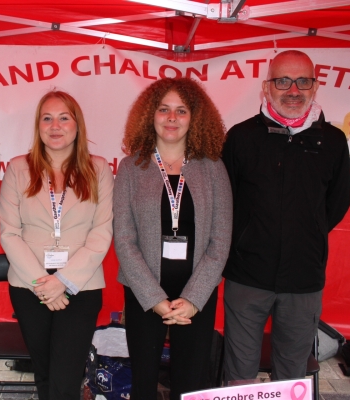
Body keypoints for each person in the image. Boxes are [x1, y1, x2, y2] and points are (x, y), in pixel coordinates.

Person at [221, 50, 350, 381]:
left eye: (302, 81)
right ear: (266, 88)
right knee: (239, 373)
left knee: (292, 375)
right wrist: (248, 239)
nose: (293, 90)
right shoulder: (240, 137)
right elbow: (225, 201)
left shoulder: (333, 141)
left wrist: (304, 234)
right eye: (282, 81)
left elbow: (337, 203)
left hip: (303, 279)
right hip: (246, 277)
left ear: (315, 86)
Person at [114, 78, 232, 399]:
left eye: (181, 110)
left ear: (195, 118)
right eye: (164, 109)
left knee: (191, 384)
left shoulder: (213, 168)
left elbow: (220, 240)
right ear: (150, 115)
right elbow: (124, 239)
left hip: (198, 294)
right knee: (143, 382)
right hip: (144, 293)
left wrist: (193, 299)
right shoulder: (130, 168)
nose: (171, 118)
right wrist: (154, 299)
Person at [0, 90, 114, 400]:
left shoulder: (99, 170)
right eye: (47, 118)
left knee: (66, 376)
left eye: (64, 117)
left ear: (77, 125)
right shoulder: (18, 169)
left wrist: (62, 281)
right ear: (38, 126)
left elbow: (102, 231)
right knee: (45, 373)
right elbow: (9, 232)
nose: (55, 126)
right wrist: (42, 284)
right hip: (29, 286)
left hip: (81, 285)